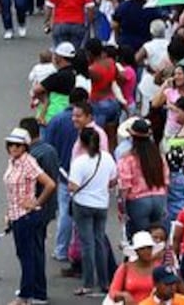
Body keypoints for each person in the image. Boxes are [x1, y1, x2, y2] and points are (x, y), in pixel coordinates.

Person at [3, 126, 56, 305]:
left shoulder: (28, 162)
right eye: (11, 145)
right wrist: (9, 214)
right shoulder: (13, 162)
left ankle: (25, 295)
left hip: (26, 216)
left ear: (25, 146)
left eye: (18, 145)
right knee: (27, 255)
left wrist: (36, 203)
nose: (14, 148)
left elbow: (49, 184)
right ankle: (36, 293)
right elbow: (12, 191)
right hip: (17, 215)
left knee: (27, 256)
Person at [69, 126, 119, 297]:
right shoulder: (107, 158)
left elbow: (73, 186)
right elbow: (113, 181)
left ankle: (88, 283)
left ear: (81, 143)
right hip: (101, 204)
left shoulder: (79, 162)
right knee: (99, 242)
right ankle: (105, 282)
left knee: (87, 244)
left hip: (82, 204)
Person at [106, 230, 160, 304]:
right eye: (142, 249)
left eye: (149, 248)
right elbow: (113, 291)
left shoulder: (159, 268)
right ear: (136, 251)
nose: (146, 251)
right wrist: (124, 295)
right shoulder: (125, 268)